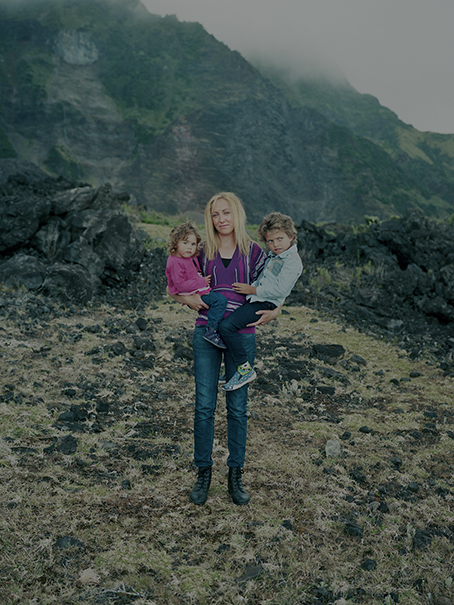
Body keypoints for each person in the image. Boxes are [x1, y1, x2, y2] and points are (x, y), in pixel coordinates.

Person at [168, 192, 279, 506]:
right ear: (210, 218)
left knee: (237, 409)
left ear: (237, 214)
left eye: (226, 213)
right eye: (215, 214)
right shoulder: (200, 252)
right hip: (205, 333)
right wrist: (187, 300)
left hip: (242, 337)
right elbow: (172, 286)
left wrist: (277, 310)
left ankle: (235, 474)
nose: (221, 219)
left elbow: (275, 286)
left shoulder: (255, 252)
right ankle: (203, 472)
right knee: (204, 406)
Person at [218, 212, 303, 391]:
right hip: (256, 299)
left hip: (264, 303)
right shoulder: (274, 256)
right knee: (229, 325)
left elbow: (281, 289)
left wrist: (252, 290)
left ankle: (245, 369)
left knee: (226, 327)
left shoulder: (292, 262)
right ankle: (235, 369)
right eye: (270, 241)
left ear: (291, 236)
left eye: (279, 239)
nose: (275, 244)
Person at [165, 221, 228, 349]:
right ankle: (211, 331)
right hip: (192, 293)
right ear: (175, 243)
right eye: (185, 242)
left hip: (195, 290)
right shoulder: (175, 262)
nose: (189, 247)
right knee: (220, 301)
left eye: (193, 244)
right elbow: (180, 285)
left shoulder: (186, 257)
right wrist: (202, 282)